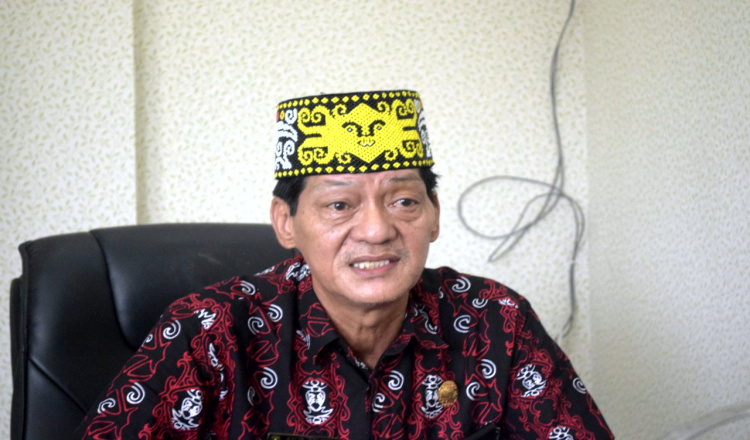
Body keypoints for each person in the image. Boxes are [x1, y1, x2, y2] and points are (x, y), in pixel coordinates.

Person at [77, 90, 614, 439]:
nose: (377, 230)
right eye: (339, 205)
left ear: (433, 215)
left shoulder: (496, 321)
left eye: (404, 201)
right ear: (286, 222)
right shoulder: (209, 332)